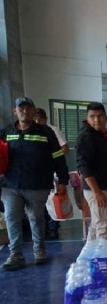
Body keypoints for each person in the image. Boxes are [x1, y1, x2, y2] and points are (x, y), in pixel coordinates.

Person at [0, 97, 69, 270]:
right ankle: (15, 254)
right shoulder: (6, 132)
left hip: (37, 184)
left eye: (28, 108)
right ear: (15, 111)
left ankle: (39, 250)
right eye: (21, 108)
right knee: (12, 219)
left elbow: (58, 156)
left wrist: (63, 180)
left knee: (36, 218)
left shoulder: (45, 132)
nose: (25, 111)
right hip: (11, 185)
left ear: (33, 110)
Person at [76, 102, 107, 240]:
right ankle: (103, 259)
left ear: (106, 118)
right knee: (104, 228)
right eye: (92, 116)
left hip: (106, 187)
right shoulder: (87, 136)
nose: (96, 120)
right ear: (87, 118)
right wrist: (97, 192)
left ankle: (90, 258)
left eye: (100, 116)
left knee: (97, 225)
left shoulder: (102, 135)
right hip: (98, 189)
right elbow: (84, 166)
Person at [34, 107, 68, 239]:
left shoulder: (52, 130)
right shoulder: (30, 131)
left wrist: (52, 157)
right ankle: (44, 229)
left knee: (53, 201)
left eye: (40, 119)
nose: (37, 121)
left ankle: (53, 228)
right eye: (35, 118)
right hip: (37, 174)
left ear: (45, 119)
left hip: (52, 172)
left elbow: (64, 148)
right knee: (40, 202)